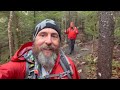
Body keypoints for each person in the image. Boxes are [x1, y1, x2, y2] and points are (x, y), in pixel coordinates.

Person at [0, 19, 80, 79]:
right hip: (70, 38)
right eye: (42, 35)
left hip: (73, 39)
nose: (49, 41)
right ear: (34, 40)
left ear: (59, 41)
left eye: (54, 36)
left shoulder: (69, 65)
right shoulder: (21, 66)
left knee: (72, 46)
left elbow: (77, 32)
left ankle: (72, 51)